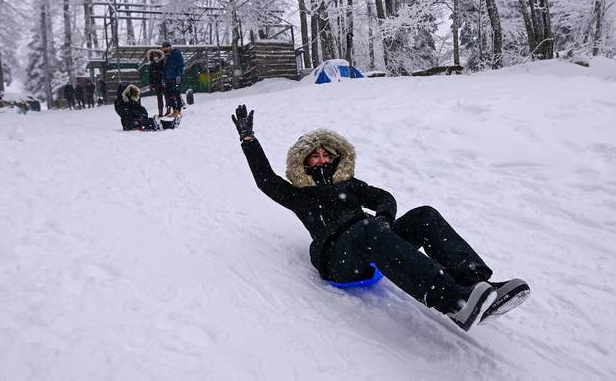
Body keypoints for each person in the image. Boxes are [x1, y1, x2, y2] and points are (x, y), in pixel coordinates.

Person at [231, 104, 529, 332]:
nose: (321, 159)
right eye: (314, 155)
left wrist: (385, 220)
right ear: (304, 163)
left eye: (325, 154)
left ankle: (478, 287)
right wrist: (248, 139)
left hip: (373, 240)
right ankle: (454, 301)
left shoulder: (350, 185)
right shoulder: (299, 195)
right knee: (366, 229)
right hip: (339, 261)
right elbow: (265, 180)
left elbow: (385, 198)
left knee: (424, 215)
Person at [162, 41, 184, 117]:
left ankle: (178, 110)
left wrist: (179, 75)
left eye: (167, 46)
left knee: (176, 94)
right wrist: (164, 79)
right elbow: (164, 68)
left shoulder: (176, 53)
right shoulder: (164, 55)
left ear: (170, 46)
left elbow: (180, 65)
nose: (165, 48)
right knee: (169, 95)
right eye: (164, 47)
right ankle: (174, 110)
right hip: (167, 78)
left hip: (175, 77)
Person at [147, 48, 165, 116]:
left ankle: (169, 110)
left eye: (156, 55)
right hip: (157, 83)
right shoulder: (151, 64)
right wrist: (151, 83)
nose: (155, 56)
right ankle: (160, 112)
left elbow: (165, 71)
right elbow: (150, 75)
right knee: (159, 98)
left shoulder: (163, 62)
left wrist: (164, 81)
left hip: (164, 81)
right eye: (153, 55)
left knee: (168, 97)